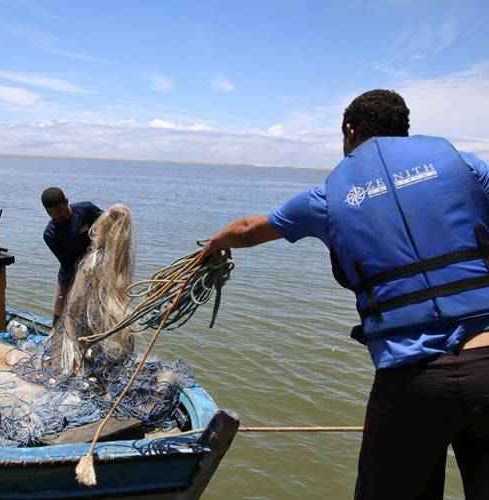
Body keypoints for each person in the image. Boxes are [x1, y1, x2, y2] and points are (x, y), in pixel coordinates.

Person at [201, 89, 489, 500]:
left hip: (412, 381)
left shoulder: (327, 198)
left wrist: (213, 246)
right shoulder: (464, 166)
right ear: (404, 130)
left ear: (349, 132)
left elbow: (249, 229)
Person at [41, 187, 103, 325]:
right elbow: (67, 262)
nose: (58, 217)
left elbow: (107, 223)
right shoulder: (50, 234)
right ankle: (55, 330)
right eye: (52, 215)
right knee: (62, 299)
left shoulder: (87, 209)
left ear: (67, 202)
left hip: (97, 260)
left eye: (60, 212)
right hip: (71, 267)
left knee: (100, 301)